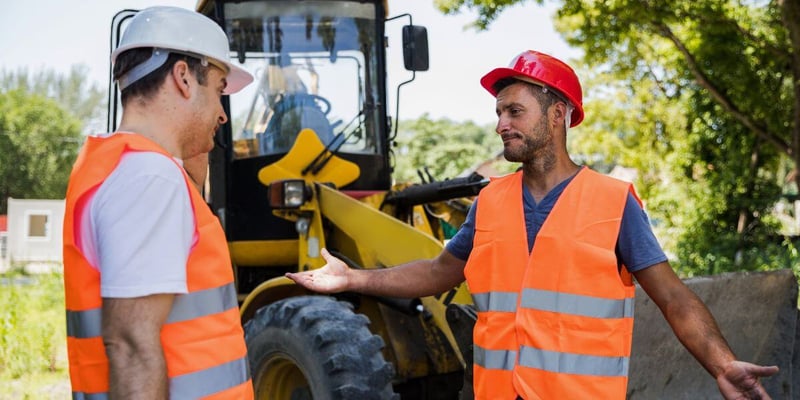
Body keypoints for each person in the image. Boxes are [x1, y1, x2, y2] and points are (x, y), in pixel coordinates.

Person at [286, 50, 779, 399]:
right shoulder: (491, 201)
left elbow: (673, 297)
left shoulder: (613, 202)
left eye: (515, 110)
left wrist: (722, 364)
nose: (502, 122)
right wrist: (353, 278)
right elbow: (439, 272)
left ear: (559, 114)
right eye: (499, 112)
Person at [62, 6, 255, 399]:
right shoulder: (148, 176)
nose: (222, 115)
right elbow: (132, 347)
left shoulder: (123, 165)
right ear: (184, 77)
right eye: (219, 90)